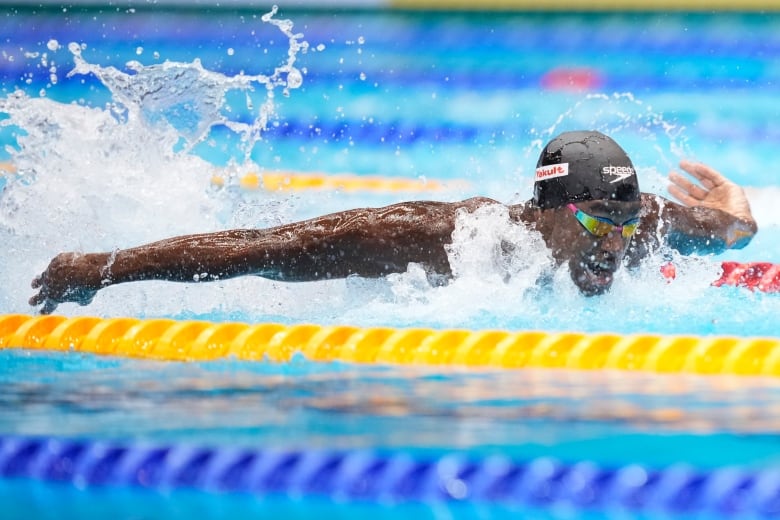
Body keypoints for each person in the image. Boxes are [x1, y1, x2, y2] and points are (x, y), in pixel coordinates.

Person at [29, 130, 757, 314]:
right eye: (600, 222)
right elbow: (262, 249)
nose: (621, 241)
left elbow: (726, 230)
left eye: (628, 222)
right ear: (550, 214)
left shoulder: (638, 228)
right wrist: (100, 269)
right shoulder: (450, 239)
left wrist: (739, 219)